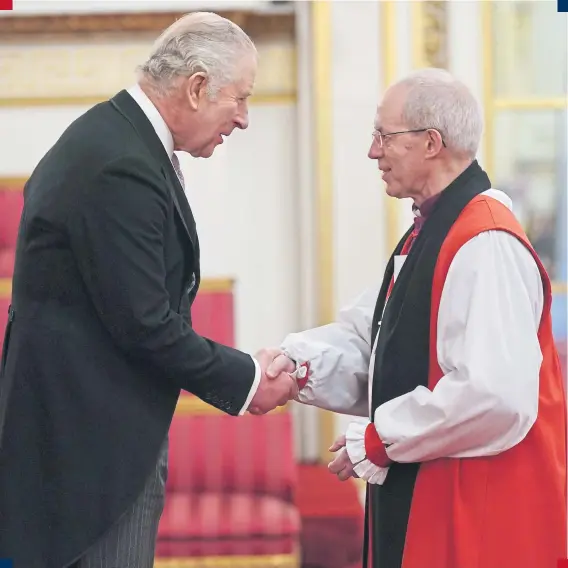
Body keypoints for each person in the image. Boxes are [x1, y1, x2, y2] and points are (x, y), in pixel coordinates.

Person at [0, 12, 297, 568]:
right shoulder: (120, 163)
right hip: (91, 462)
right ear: (198, 86)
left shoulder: (118, 139)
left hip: (84, 442)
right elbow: (145, 324)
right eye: (240, 99)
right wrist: (249, 380)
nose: (245, 118)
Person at [268, 68, 567, 568]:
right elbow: (379, 343)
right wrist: (296, 365)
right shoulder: (433, 231)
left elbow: (493, 395)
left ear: (431, 142)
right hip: (440, 496)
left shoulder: (484, 241)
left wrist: (382, 436)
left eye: (384, 136)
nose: (372, 151)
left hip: (481, 516)